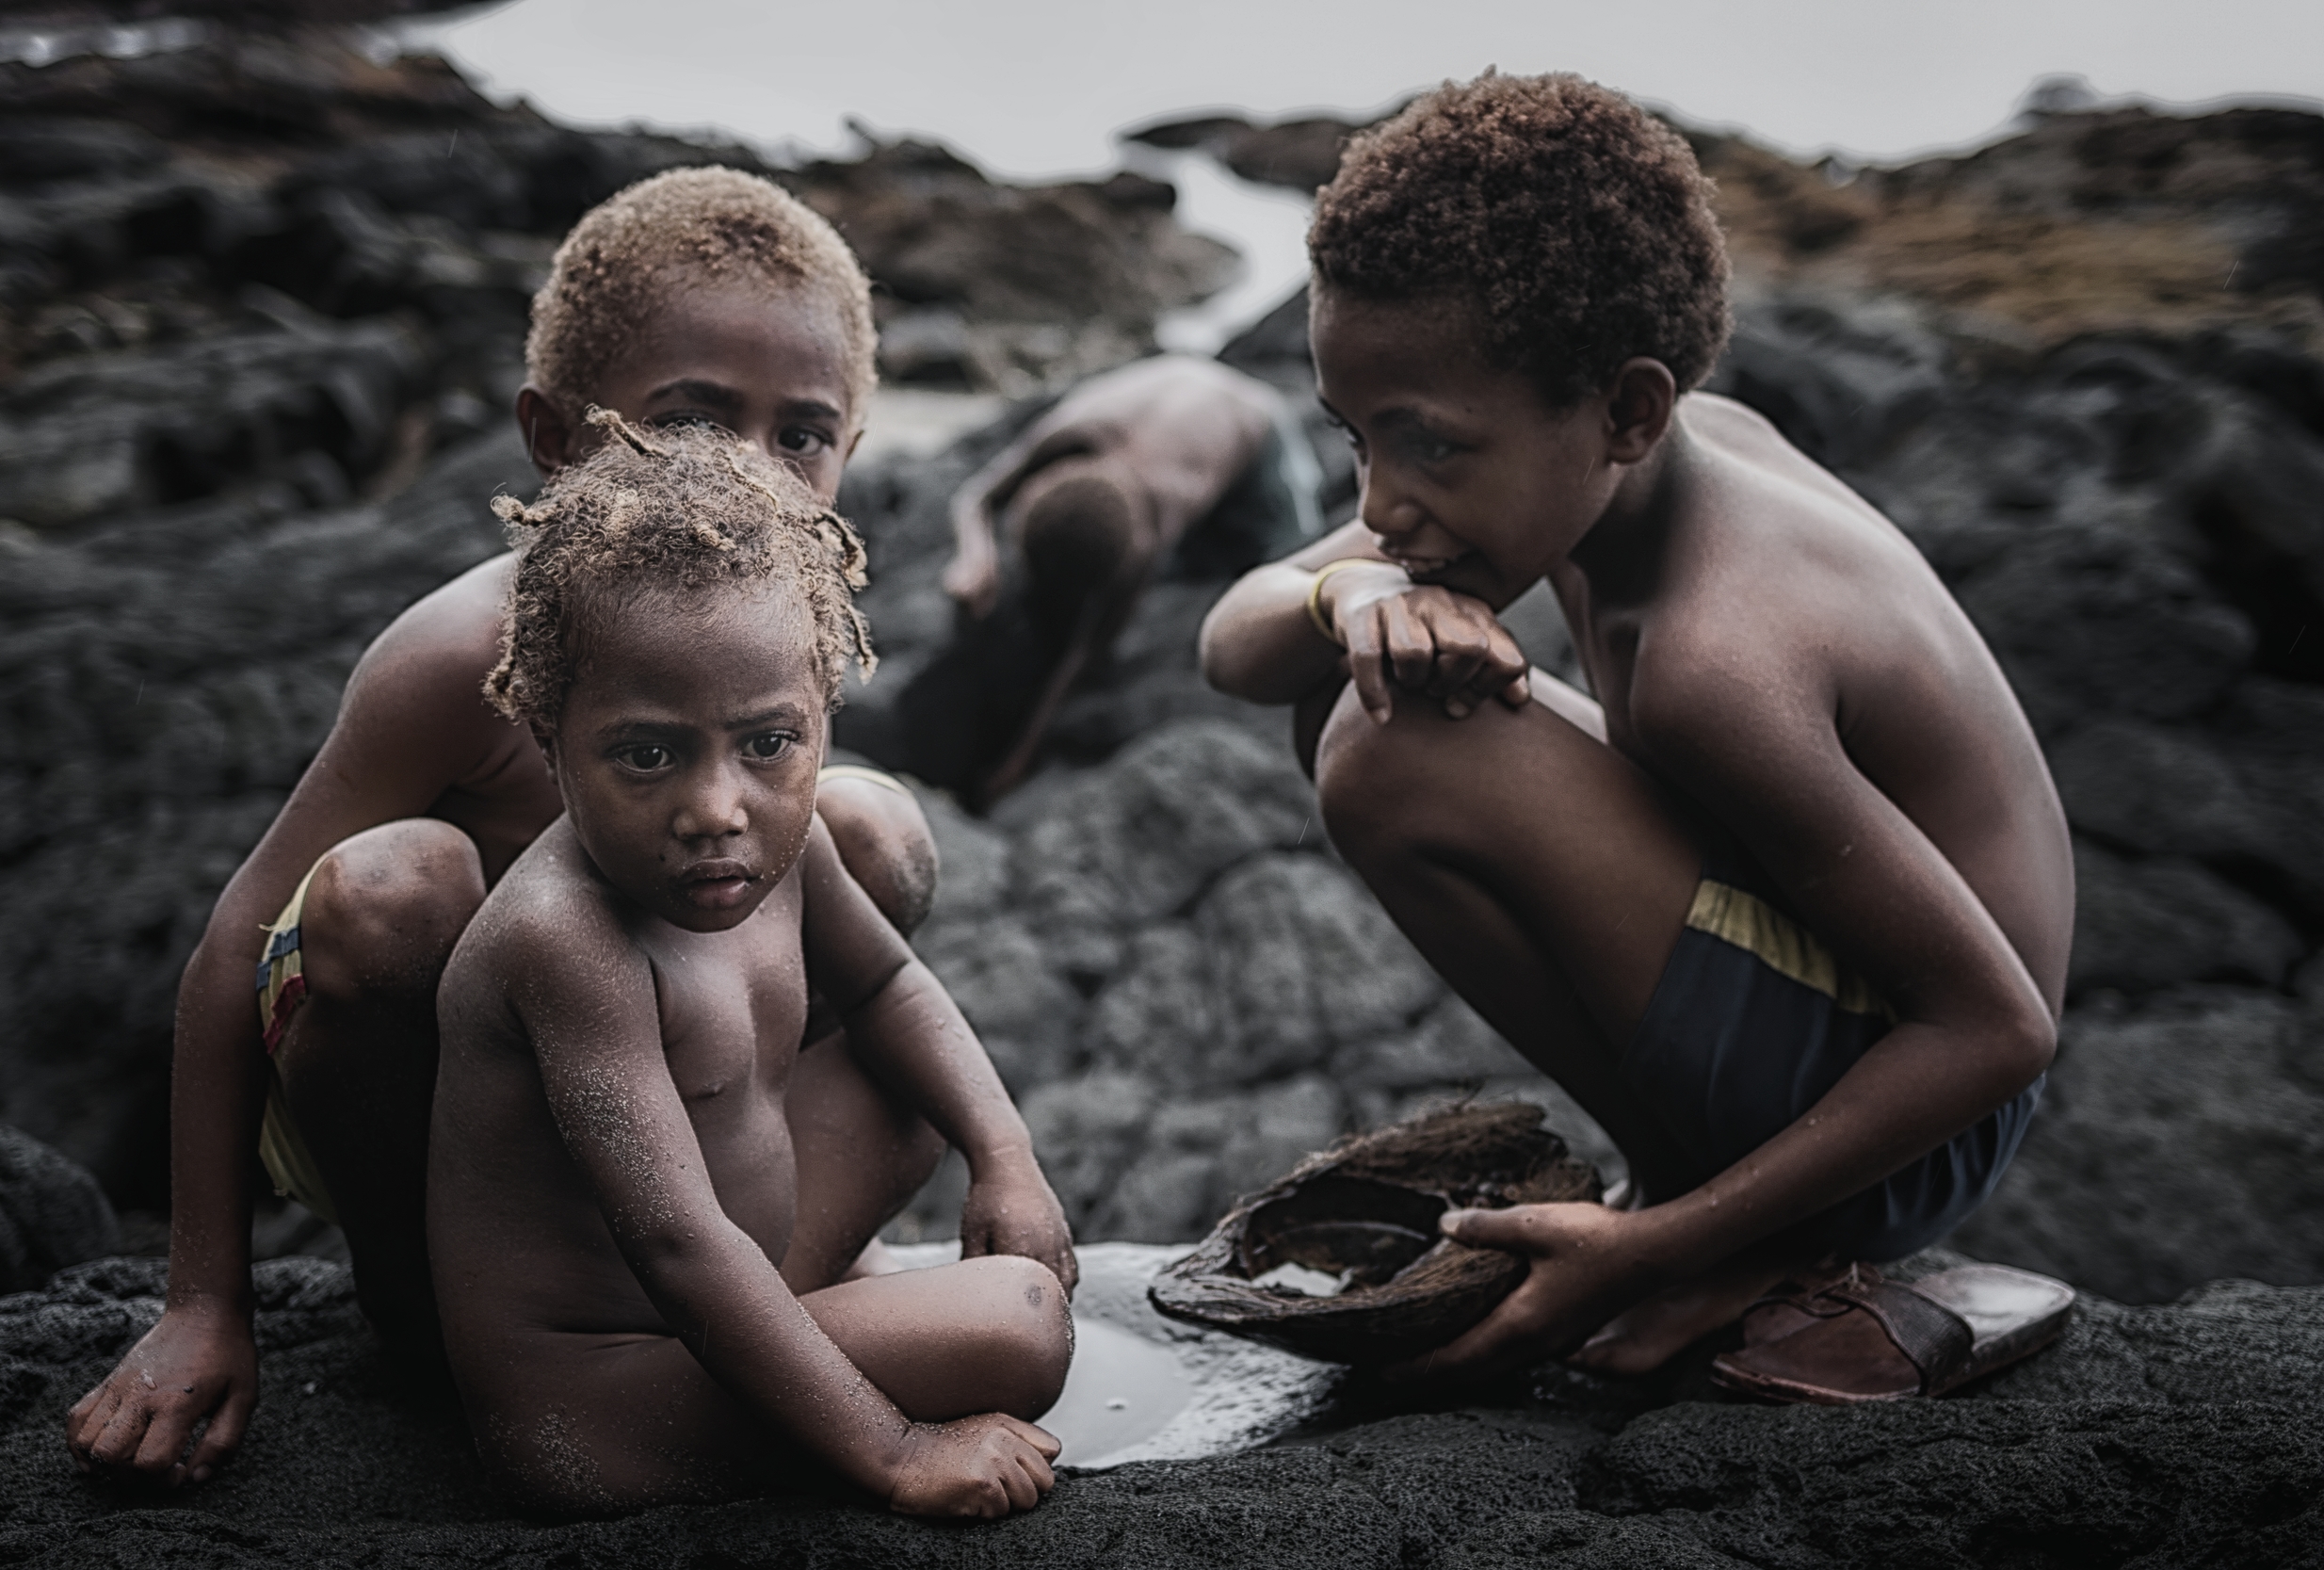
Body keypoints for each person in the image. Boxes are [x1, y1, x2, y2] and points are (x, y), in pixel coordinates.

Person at [66, 168, 950, 1485]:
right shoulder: (456, 657)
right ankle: (429, 1308)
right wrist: (205, 1300)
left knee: (869, 833)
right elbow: (232, 952)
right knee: (389, 887)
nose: (748, 477)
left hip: (666, 1150)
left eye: (802, 435)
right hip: (459, 1133)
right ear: (554, 433)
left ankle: (745, 1284)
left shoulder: (788, 636)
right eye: (689, 421)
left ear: (851, 453)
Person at [1197, 73, 2073, 1398]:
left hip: (1919, 1110)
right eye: (1354, 437)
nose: (1383, 497)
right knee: (1354, 669)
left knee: (1398, 747)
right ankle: (1712, 1198)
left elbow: (1999, 1027)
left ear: (1624, 409)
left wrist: (1653, 1244)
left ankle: (1742, 1233)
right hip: (1854, 1028)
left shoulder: (1713, 662)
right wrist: (1351, 588)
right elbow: (1236, 641)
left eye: (1428, 445)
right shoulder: (1649, 459)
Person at [431, 416, 1073, 1517]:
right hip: (596, 1404)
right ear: (546, 732)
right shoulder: (564, 939)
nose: (715, 808)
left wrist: (1004, 1154)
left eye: (769, 743)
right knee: (1017, 1318)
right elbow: (675, 1243)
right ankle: (820, 1375)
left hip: (731, 1290)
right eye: (647, 753)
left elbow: (891, 987)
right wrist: (894, 1447)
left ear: (823, 709)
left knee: (913, 1084)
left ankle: (816, 1319)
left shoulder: (784, 841)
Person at [933, 352, 1324, 803]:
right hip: (1169, 376)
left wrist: (1018, 760)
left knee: (1287, 567)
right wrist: (975, 556)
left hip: (1256, 419)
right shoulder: (1071, 431)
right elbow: (975, 497)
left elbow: (1085, 658)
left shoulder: (1161, 517)